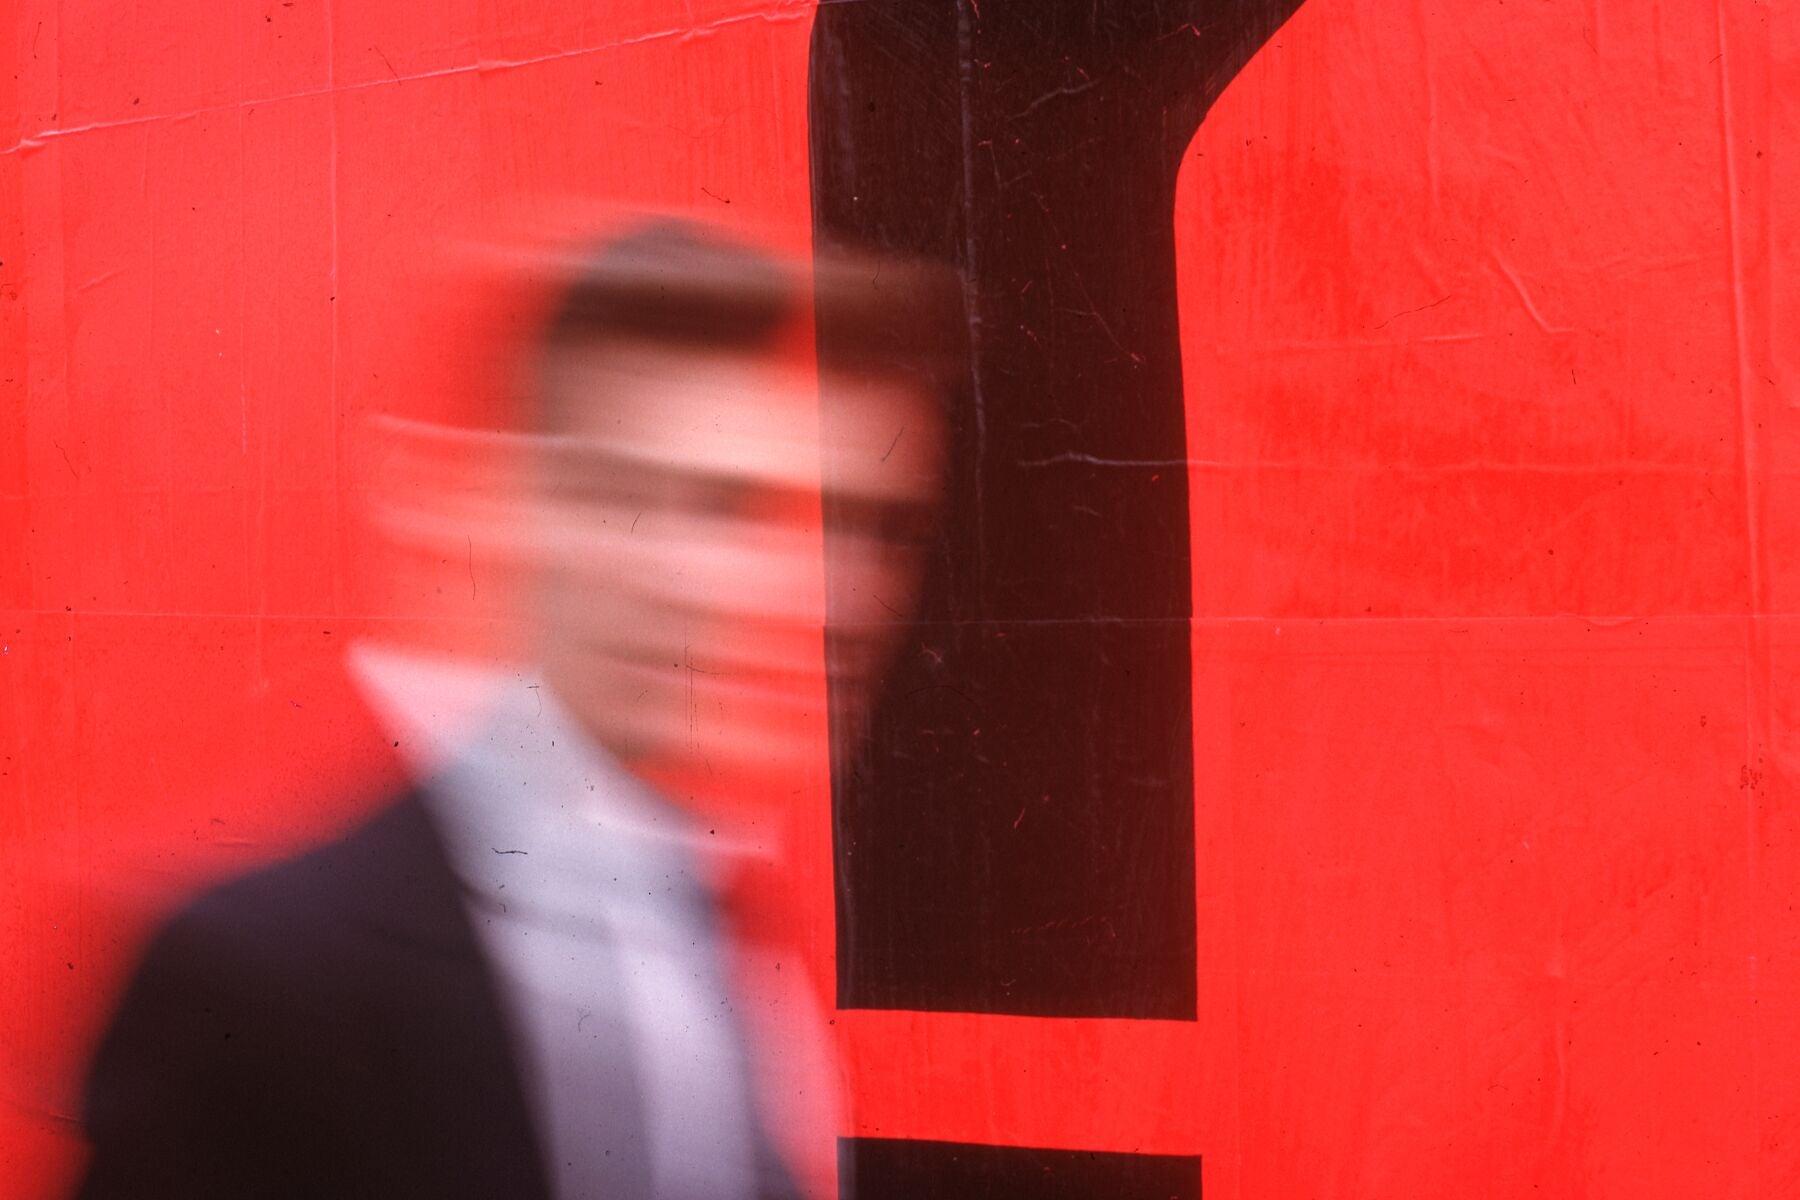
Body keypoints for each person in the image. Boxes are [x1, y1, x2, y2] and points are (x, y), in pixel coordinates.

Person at [73, 222, 959, 1200]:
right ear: (518, 513)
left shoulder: (723, 934)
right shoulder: (257, 973)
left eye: (868, 524)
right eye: (723, 508)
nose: (829, 595)